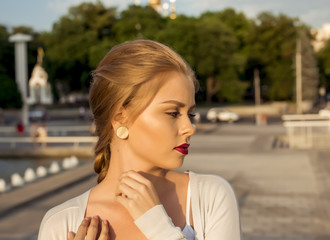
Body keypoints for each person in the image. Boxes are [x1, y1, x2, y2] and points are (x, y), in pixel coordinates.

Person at [38, 40, 241, 240]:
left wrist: (158, 226)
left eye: (190, 114)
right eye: (172, 113)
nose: (190, 128)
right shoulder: (63, 224)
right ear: (119, 118)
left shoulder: (209, 197)